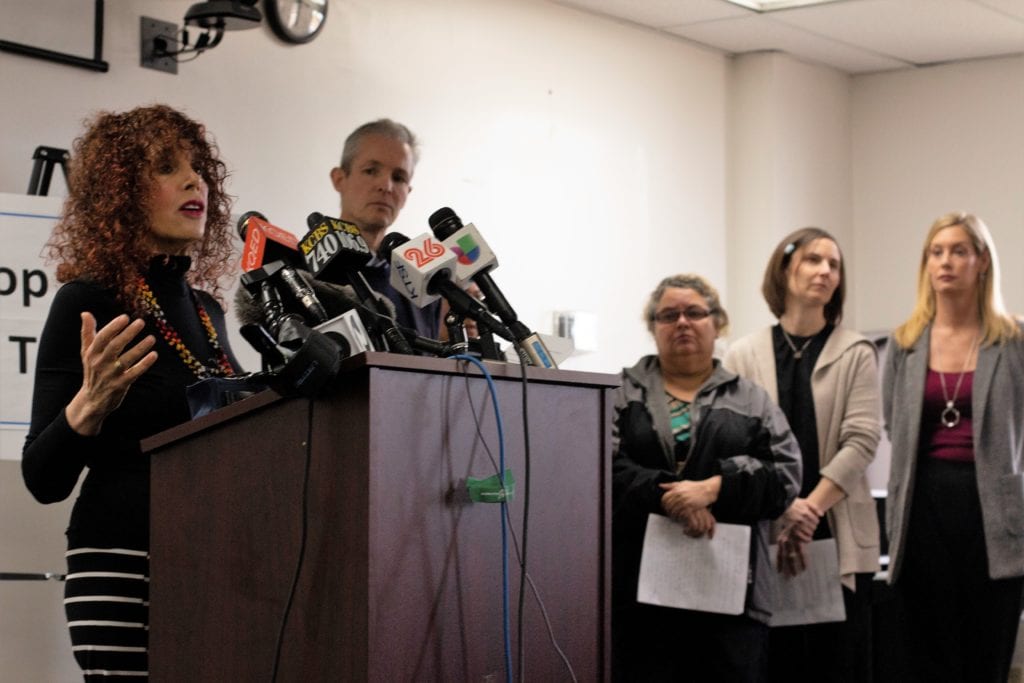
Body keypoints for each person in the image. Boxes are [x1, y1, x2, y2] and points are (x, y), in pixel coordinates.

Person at [21, 104, 242, 680]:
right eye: (168, 167)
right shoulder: (87, 301)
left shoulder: (208, 311)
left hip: (218, 556)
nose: (195, 181)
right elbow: (42, 480)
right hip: (122, 558)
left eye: (198, 169)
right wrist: (87, 409)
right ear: (121, 191)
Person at [612, 273, 802, 682]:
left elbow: (786, 475)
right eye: (669, 315)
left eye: (695, 313)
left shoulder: (751, 398)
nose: (682, 322)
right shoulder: (619, 393)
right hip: (640, 601)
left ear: (717, 323)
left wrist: (716, 488)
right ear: (653, 327)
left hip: (732, 601)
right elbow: (601, 468)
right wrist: (671, 497)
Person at [724, 228, 881, 683]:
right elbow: (736, 446)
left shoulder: (855, 351)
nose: (826, 271)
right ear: (785, 268)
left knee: (839, 666)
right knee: (775, 665)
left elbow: (862, 440)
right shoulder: (742, 355)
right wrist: (785, 507)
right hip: (766, 533)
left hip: (839, 533)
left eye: (834, 265)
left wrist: (809, 509)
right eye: (814, 260)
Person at [883, 212, 1024, 683]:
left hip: (994, 511)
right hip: (921, 509)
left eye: (959, 251)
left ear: (982, 262)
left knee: (986, 650)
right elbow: (892, 423)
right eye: (936, 252)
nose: (946, 262)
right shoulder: (904, 344)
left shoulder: (1014, 340)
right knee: (928, 653)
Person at [329, 118, 441, 338]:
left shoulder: (422, 281)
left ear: (407, 192)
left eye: (399, 178)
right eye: (371, 171)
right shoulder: (302, 269)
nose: (386, 186)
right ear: (339, 179)